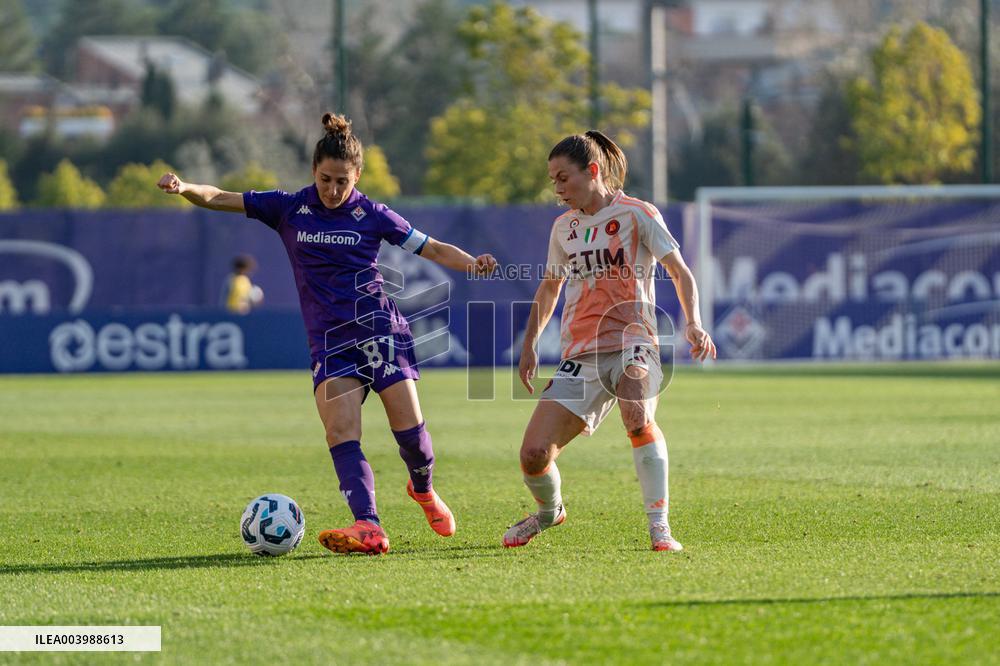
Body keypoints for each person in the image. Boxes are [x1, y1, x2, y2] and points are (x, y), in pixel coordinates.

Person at [158, 113, 496, 555]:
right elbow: (220, 196)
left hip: (380, 331)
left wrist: (472, 262)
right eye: (324, 179)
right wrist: (185, 188)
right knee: (341, 433)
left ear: (357, 176)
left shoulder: (374, 214)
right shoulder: (288, 207)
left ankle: (423, 489)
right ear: (313, 172)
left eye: (342, 181)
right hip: (331, 342)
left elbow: (429, 247)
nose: (333, 190)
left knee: (411, 437)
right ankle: (368, 525)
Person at [503, 130, 716, 552]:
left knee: (637, 416)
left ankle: (660, 528)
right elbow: (550, 289)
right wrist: (529, 344)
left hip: (635, 340)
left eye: (564, 178)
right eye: (553, 180)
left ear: (593, 171)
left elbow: (680, 270)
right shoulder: (564, 227)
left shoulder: (638, 213)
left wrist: (692, 322)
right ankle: (549, 513)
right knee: (533, 456)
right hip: (580, 354)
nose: (557, 188)